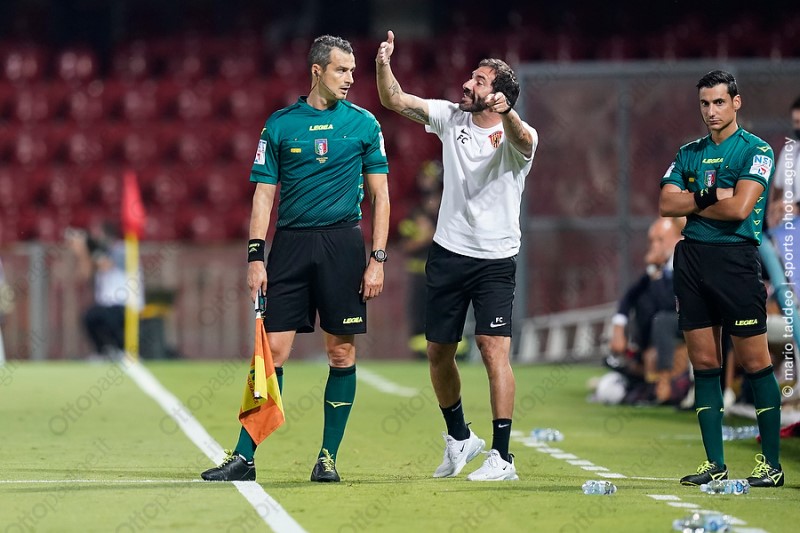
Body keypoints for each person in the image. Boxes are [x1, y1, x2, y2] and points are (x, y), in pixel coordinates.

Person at [201, 35, 390, 483]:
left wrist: (378, 258)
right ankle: (244, 457)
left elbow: (381, 197)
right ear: (317, 71)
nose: (350, 78)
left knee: (340, 352)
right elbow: (263, 196)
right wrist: (255, 257)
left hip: (343, 245)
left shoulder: (364, 124)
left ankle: (327, 458)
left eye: (353, 71)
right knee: (272, 352)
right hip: (290, 247)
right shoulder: (280, 125)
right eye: (342, 70)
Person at [376, 30, 537, 481]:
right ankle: (460, 437)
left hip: (496, 260)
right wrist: (384, 63)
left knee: (492, 349)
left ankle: (502, 456)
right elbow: (393, 99)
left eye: (479, 81)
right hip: (448, 254)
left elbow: (523, 142)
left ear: (498, 96)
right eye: (471, 76)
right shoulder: (450, 117)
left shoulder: (518, 135)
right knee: (438, 352)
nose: (467, 84)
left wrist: (508, 113)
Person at [659, 70, 784, 488]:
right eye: (704, 103)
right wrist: (714, 195)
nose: (711, 111)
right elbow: (665, 204)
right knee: (705, 364)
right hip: (692, 261)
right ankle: (715, 463)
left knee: (755, 363)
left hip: (735, 261)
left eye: (718, 102)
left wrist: (691, 202)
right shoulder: (688, 152)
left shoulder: (756, 150)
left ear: (736, 102)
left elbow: (740, 210)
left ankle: (771, 466)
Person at [607, 217, 688, 405]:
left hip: (689, 319)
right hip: (661, 328)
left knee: (662, 319)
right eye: (652, 241)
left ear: (678, 239)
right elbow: (629, 296)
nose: (654, 246)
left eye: (660, 240)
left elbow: (670, 303)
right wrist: (618, 328)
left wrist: (655, 274)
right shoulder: (661, 267)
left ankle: (663, 381)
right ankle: (637, 358)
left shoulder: (685, 261)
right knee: (643, 300)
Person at [65, 221, 141, 358]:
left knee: (103, 317)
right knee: (90, 318)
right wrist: (82, 252)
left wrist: (85, 248)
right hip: (108, 305)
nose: (95, 240)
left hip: (125, 303)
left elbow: (106, 265)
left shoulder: (122, 249)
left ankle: (123, 350)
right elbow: (84, 275)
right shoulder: (100, 254)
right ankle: (104, 352)